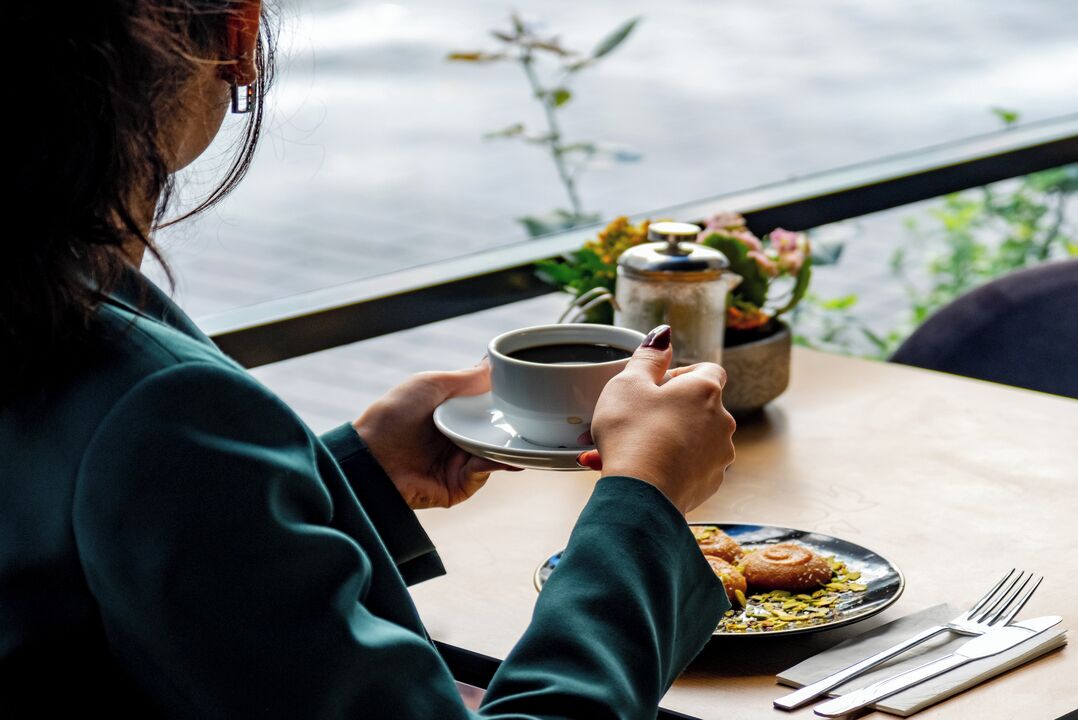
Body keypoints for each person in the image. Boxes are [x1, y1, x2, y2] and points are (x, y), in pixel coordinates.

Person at [0, 1, 737, 716]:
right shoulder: (160, 406)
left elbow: (109, 578)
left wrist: (350, 476)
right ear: (238, 31)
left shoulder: (48, 303)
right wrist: (645, 495)